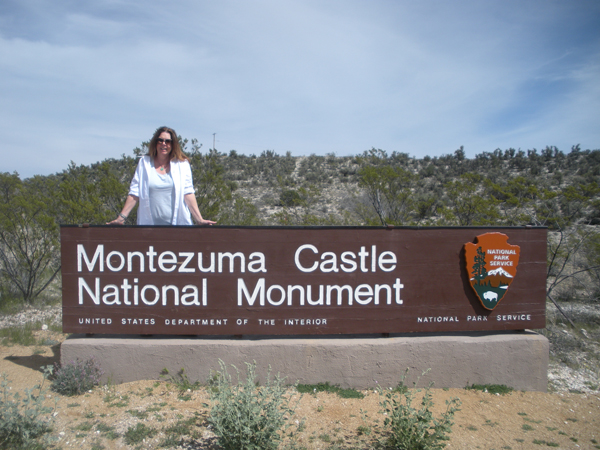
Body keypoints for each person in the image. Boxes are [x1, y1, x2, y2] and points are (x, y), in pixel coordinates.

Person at [108, 126, 216, 226]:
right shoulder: (144, 163)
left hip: (177, 228)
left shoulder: (182, 164)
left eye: (168, 141)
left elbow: (188, 193)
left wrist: (199, 219)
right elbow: (135, 192)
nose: (164, 144)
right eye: (160, 140)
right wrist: (121, 218)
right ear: (155, 143)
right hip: (149, 229)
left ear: (173, 144)